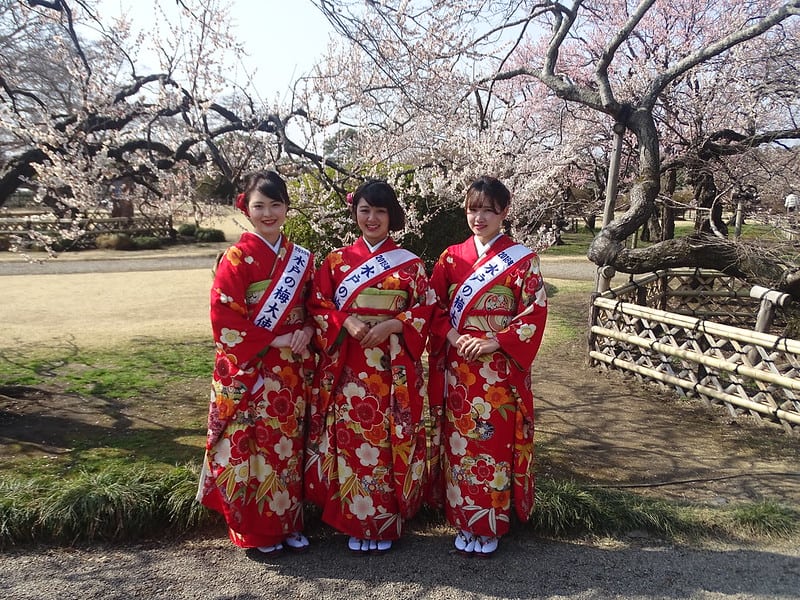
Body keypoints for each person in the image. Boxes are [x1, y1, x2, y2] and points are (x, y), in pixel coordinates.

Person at [304, 180, 432, 555]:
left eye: (379, 211)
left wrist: (395, 324)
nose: (372, 218)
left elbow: (427, 309)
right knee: (352, 442)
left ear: (391, 215)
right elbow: (318, 305)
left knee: (389, 442)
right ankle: (354, 521)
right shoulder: (336, 261)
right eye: (364, 210)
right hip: (350, 368)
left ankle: (385, 522)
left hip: (392, 371)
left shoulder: (410, 265)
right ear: (354, 213)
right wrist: (346, 322)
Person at [427, 175, 548, 557]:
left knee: (494, 445)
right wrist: (451, 338)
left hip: (499, 371)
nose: (478, 217)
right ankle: (463, 519)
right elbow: (434, 306)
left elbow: (535, 311)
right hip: (460, 369)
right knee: (459, 443)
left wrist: (494, 340)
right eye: (472, 209)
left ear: (504, 212)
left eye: (487, 210)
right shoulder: (450, 258)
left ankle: (490, 522)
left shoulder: (522, 260)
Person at [197, 170, 315, 556]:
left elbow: (315, 307)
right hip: (252, 370)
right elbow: (224, 318)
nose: (268, 213)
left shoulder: (300, 259)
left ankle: (289, 521)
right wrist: (276, 337)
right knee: (253, 449)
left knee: (286, 447)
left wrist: (308, 331)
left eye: (275, 205)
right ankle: (256, 530)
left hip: (289, 371)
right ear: (245, 208)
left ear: (286, 208)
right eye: (259, 205)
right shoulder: (236, 257)